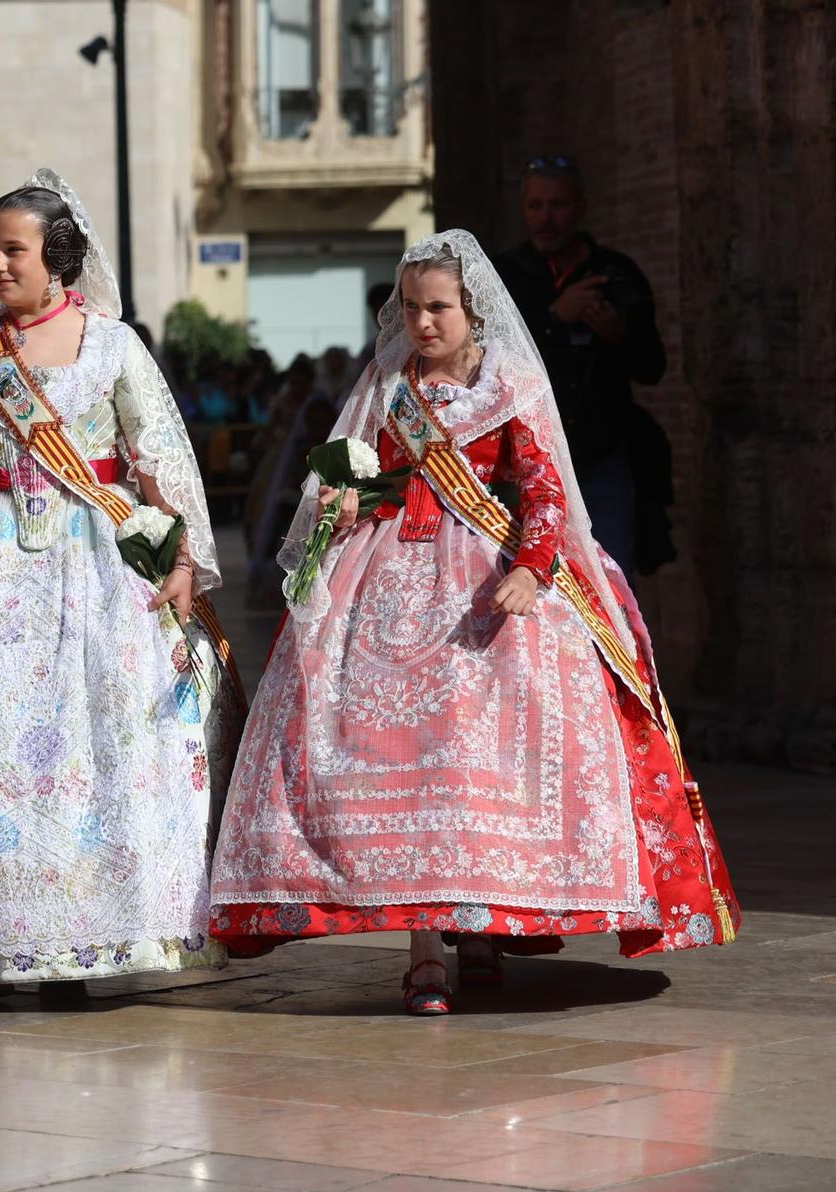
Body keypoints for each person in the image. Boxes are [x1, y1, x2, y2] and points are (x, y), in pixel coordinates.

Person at [210, 231, 737, 1016]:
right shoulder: (386, 385)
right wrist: (345, 501)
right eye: (412, 307)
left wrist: (530, 564)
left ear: (472, 309)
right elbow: (356, 474)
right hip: (382, 583)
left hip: (485, 581)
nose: (423, 323)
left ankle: (480, 923)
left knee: (469, 758)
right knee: (395, 758)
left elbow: (545, 489)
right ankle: (425, 952)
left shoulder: (509, 383)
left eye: (439, 308)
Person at [0, 169, 244, 999]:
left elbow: (158, 456)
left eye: (12, 249)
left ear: (57, 256)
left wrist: (178, 562)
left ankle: (80, 940)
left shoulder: (113, 345)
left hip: (93, 561)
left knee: (89, 746)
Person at [495, 156, 669, 574]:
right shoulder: (504, 276)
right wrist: (555, 318)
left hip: (600, 457)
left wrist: (619, 334)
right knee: (530, 584)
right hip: (526, 458)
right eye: (536, 206)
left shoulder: (614, 273)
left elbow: (654, 367)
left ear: (581, 208)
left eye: (558, 205)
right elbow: (489, 363)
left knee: (609, 584)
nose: (546, 218)